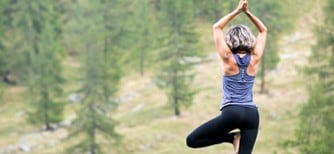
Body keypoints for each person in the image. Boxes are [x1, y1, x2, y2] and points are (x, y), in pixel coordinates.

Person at [186, 0, 267, 153]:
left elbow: (217, 27)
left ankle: (231, 138)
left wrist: (237, 11)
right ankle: (235, 138)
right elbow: (263, 30)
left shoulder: (228, 58)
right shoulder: (255, 58)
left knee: (192, 140)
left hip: (232, 112)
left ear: (230, 41)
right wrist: (247, 12)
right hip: (252, 115)